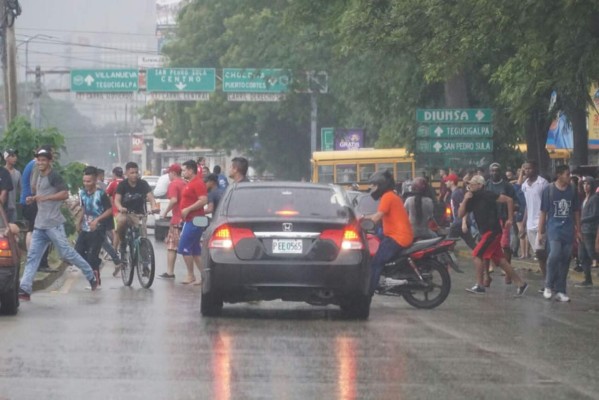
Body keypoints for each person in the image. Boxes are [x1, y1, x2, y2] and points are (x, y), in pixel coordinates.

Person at [18, 147, 98, 301]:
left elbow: (64, 194)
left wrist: (46, 198)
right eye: (39, 160)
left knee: (67, 253)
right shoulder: (39, 176)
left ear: (49, 161)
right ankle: (25, 289)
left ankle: (91, 275)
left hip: (54, 224)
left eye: (43, 160)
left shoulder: (53, 176)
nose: (40, 162)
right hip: (40, 224)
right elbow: (39, 194)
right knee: (32, 256)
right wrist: (33, 198)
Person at [457, 175, 528, 296]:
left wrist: (510, 218)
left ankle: (480, 285)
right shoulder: (472, 198)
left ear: (480, 185)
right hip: (486, 231)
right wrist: (465, 199)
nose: (470, 185)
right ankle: (521, 284)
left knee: (476, 255)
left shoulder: (487, 194)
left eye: (473, 183)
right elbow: (460, 214)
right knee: (500, 261)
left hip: (492, 231)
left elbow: (509, 200)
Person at [363, 170, 414, 295]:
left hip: (397, 237)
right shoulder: (391, 195)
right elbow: (376, 215)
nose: (372, 189)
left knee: (376, 262)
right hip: (393, 234)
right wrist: (362, 217)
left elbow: (376, 217)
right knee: (375, 240)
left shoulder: (388, 197)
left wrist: (362, 222)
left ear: (381, 185)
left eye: (374, 186)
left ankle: (369, 291)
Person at [538, 165, 581, 302]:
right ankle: (548, 285)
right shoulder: (549, 190)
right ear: (559, 175)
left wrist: (578, 230)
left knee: (565, 258)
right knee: (554, 254)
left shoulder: (573, 190)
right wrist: (540, 232)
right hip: (554, 228)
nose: (569, 177)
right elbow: (543, 212)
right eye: (567, 174)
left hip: (568, 229)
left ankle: (561, 290)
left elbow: (576, 212)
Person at [114, 162, 160, 275]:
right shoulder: (122, 185)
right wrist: (120, 208)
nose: (134, 175)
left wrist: (154, 206)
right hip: (126, 213)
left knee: (143, 238)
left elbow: (151, 197)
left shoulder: (143, 184)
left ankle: (145, 265)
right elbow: (117, 200)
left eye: (136, 172)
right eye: (132, 172)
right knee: (120, 222)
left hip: (140, 214)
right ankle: (123, 245)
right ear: (126, 173)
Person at [75, 166, 114, 289]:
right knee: (77, 252)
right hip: (85, 228)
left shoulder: (101, 194)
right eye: (84, 181)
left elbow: (109, 210)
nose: (86, 184)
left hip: (98, 229)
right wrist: (78, 222)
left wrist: (97, 220)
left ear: (95, 180)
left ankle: (95, 281)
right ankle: (96, 262)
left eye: (89, 181)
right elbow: (83, 209)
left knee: (92, 255)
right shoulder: (82, 193)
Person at [20, 147, 52, 272]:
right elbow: (34, 186)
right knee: (34, 231)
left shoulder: (30, 164)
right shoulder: (36, 165)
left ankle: (34, 260)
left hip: (28, 201)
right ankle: (36, 261)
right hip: (32, 201)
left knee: (32, 230)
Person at [519, 160, 549, 292]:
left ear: (535, 168)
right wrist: (523, 224)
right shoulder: (524, 185)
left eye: (529, 168)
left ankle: (548, 281)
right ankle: (548, 279)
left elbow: (547, 204)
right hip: (530, 224)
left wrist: (546, 222)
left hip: (542, 223)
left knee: (540, 251)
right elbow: (527, 205)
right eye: (525, 169)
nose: (527, 171)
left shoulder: (543, 183)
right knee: (540, 254)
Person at [485, 163, 517, 282]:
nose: (494, 173)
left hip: (503, 219)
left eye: (497, 171)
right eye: (492, 171)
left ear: (500, 172)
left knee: (505, 245)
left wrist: (511, 216)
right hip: (489, 220)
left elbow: (514, 201)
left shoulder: (507, 186)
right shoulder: (486, 185)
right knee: (488, 245)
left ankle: (508, 273)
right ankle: (487, 274)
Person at [178, 160, 208, 284]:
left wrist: (188, 209)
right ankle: (204, 276)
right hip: (191, 219)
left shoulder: (197, 183)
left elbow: (204, 200)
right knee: (195, 250)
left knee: (184, 247)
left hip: (195, 219)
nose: (183, 172)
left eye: (184, 170)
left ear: (190, 170)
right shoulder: (190, 183)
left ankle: (190, 275)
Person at [158, 164, 186, 279]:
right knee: (189, 246)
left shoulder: (173, 184)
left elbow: (174, 200)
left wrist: (165, 212)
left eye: (168, 173)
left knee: (171, 246)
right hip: (187, 219)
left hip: (177, 220)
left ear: (173, 173)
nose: (168, 175)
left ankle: (170, 272)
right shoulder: (185, 183)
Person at [576, 176, 599, 287]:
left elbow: (595, 215)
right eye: (584, 184)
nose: (586, 186)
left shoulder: (595, 198)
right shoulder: (585, 198)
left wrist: (582, 220)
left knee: (592, 253)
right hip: (583, 230)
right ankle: (587, 279)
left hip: (590, 230)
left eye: (588, 184)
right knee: (582, 255)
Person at [445, 173, 477, 249]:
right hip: (460, 221)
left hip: (459, 222)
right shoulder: (455, 192)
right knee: (471, 243)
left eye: (447, 181)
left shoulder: (456, 193)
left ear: (452, 182)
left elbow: (463, 207)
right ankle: (481, 255)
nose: (446, 183)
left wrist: (463, 223)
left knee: (448, 243)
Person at [3, 149, 20, 223]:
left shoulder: (17, 173)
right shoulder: (1, 172)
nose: (15, 158)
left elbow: (20, 189)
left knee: (13, 230)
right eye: (12, 156)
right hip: (2, 208)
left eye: (15, 156)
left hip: (13, 208)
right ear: (6, 158)